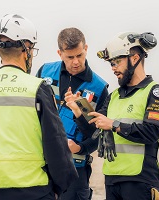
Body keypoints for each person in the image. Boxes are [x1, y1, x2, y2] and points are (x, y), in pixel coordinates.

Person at [0, 13, 78, 200]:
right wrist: (61, 185)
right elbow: (55, 143)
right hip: (34, 189)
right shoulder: (37, 88)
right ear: (26, 49)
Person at [64, 32, 159, 200]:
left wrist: (114, 124)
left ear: (135, 58)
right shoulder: (114, 96)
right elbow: (94, 129)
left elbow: (152, 132)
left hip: (140, 181)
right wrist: (78, 110)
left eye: (117, 62)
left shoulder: (155, 93)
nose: (113, 68)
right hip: (112, 180)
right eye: (111, 63)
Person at [36, 27, 109, 200]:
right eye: (70, 57)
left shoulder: (99, 88)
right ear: (59, 53)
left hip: (75, 170)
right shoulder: (44, 72)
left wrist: (80, 148)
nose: (76, 61)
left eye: (80, 55)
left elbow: (99, 135)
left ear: (86, 49)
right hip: (41, 165)